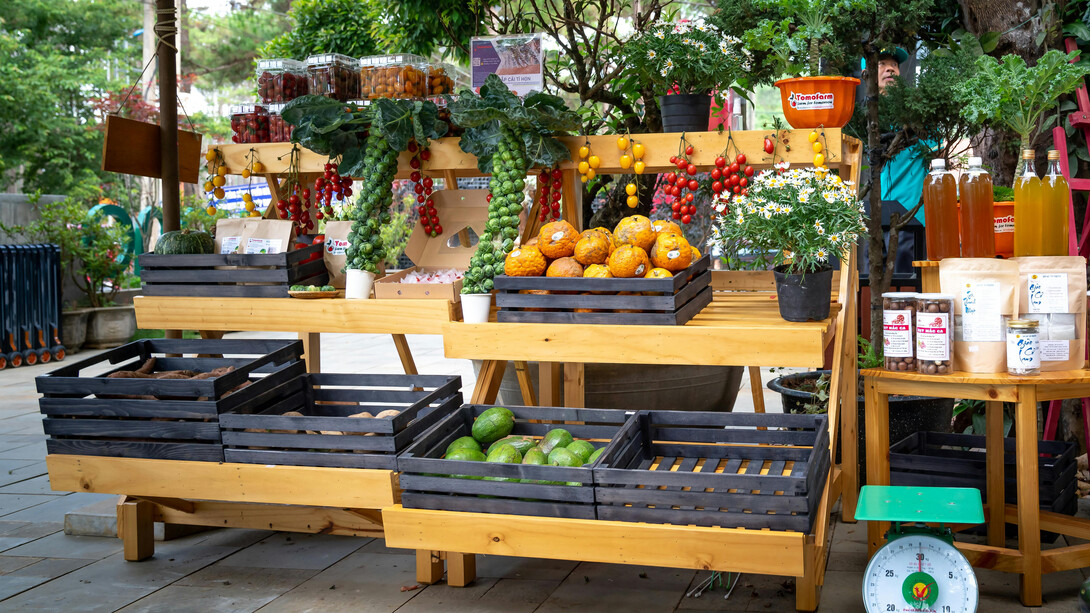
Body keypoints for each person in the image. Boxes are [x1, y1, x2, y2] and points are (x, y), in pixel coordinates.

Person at [861, 47, 928, 277]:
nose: (891, 68)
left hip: (910, 219)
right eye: (882, 63)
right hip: (874, 218)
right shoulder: (862, 117)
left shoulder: (918, 111)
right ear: (866, 72)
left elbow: (938, 152)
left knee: (907, 292)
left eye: (895, 64)